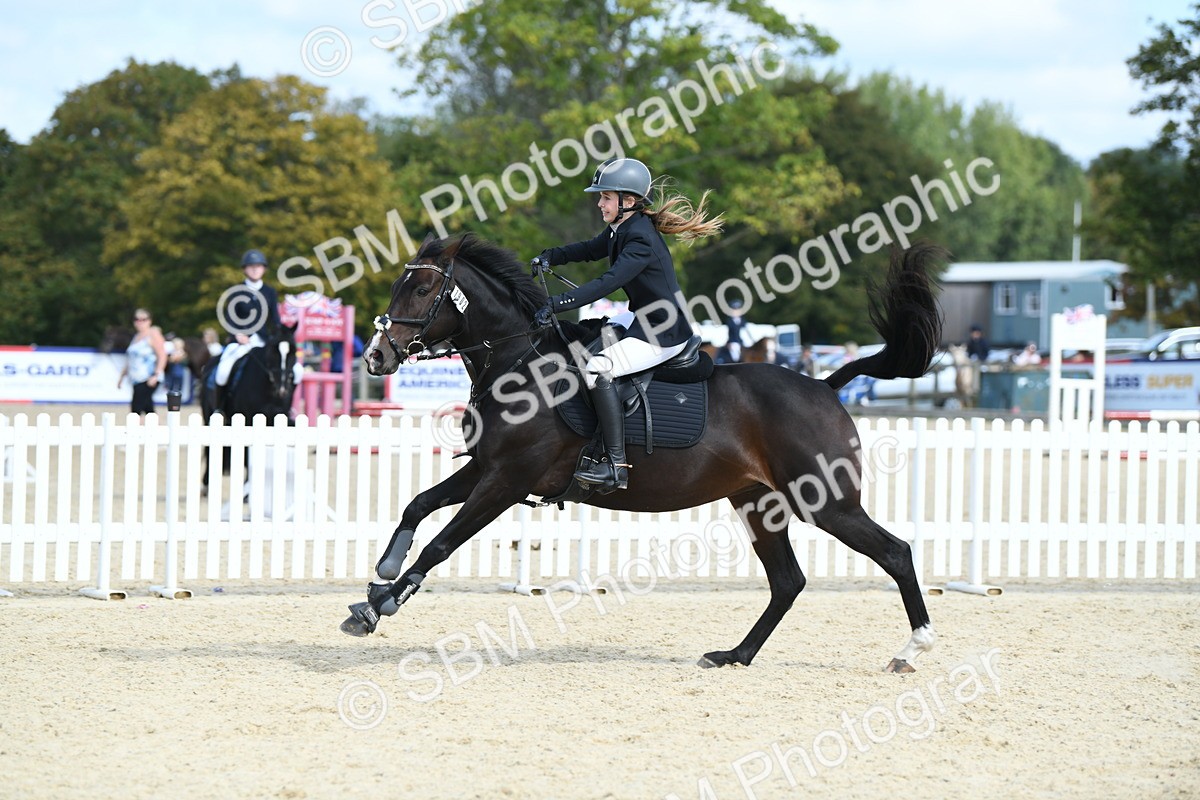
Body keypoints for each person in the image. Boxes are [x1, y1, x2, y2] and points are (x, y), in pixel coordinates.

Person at [531, 156, 723, 492]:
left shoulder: (640, 240)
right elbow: (590, 249)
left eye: (605, 197)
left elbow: (607, 282)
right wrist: (553, 254)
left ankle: (615, 464)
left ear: (628, 201)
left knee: (596, 368)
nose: (599, 202)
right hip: (641, 316)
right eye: (601, 196)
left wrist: (557, 303)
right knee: (591, 332)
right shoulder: (623, 228)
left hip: (663, 331)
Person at [211, 249, 281, 406]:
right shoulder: (237, 291)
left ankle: (284, 405)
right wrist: (237, 334)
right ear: (244, 269)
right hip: (241, 341)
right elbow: (230, 318)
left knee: (285, 370)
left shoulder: (270, 292)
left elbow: (275, 320)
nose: (255, 269)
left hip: (263, 341)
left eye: (259, 266)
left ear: (264, 269)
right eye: (251, 266)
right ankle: (220, 406)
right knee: (223, 370)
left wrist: (278, 338)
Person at [118, 308, 167, 415]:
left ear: (149, 321)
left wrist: (156, 374)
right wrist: (122, 376)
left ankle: (137, 430)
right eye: (137, 319)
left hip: (148, 377)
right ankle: (157, 429)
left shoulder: (153, 334)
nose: (139, 322)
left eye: (143, 319)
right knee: (147, 407)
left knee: (136, 408)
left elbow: (162, 355)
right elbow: (131, 359)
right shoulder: (136, 337)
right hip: (136, 379)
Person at [722, 298, 753, 363]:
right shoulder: (729, 321)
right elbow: (728, 334)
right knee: (735, 353)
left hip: (743, 342)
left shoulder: (743, 321)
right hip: (733, 342)